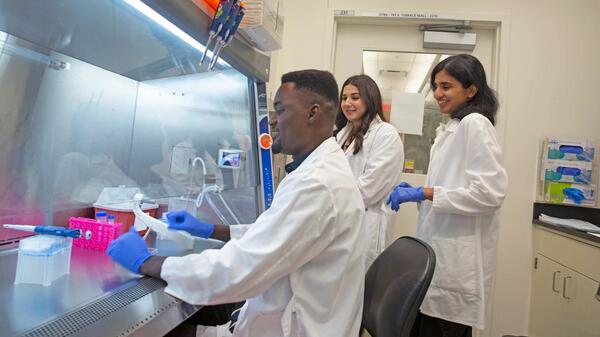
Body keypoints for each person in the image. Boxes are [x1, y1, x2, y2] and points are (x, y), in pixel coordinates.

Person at [107, 69, 367, 337]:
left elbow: (240, 269)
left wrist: (147, 262)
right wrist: (211, 230)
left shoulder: (317, 184)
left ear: (312, 113)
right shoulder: (320, 171)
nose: (273, 121)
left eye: (281, 110)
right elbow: (277, 236)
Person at [386, 54, 508, 337]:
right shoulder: (450, 129)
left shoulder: (475, 124)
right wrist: (418, 194)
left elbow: (490, 194)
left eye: (446, 86)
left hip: (456, 263)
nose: (438, 94)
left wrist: (426, 192)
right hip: (438, 257)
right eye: (435, 86)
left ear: (471, 89)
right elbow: (451, 188)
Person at [334, 74, 404, 268]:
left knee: (360, 288)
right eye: (344, 98)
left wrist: (328, 200)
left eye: (355, 98)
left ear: (370, 99)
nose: (347, 103)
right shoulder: (343, 133)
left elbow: (370, 188)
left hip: (366, 225)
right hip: (341, 220)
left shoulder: (386, 135)